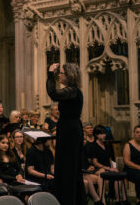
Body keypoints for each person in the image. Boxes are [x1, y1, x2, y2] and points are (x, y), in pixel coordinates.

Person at [47, 62, 86, 205]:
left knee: (68, 169)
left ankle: (68, 200)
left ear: (69, 75)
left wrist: (50, 73)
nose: (59, 75)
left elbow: (53, 93)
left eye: (61, 73)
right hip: (68, 129)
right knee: (66, 168)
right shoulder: (72, 91)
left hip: (70, 131)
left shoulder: (73, 91)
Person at [92, 124, 128, 204]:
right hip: (98, 168)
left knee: (120, 176)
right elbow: (95, 162)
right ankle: (103, 201)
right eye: (101, 133)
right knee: (105, 173)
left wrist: (113, 168)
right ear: (96, 135)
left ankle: (121, 200)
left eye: (104, 133)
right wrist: (108, 168)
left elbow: (110, 159)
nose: (104, 135)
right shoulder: (93, 146)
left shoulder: (106, 145)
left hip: (108, 168)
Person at [123, 125, 140, 205]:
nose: (139, 134)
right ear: (134, 133)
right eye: (137, 132)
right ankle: (139, 200)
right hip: (131, 169)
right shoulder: (128, 145)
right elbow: (126, 161)